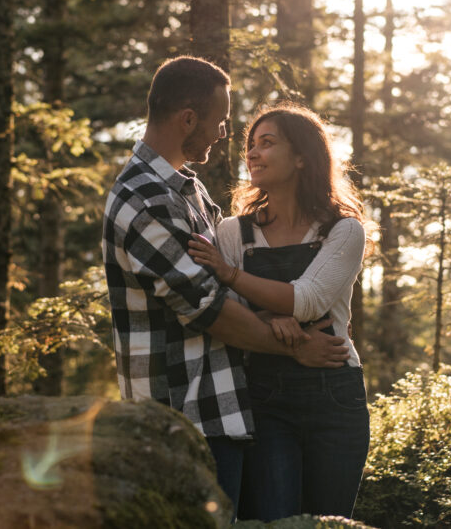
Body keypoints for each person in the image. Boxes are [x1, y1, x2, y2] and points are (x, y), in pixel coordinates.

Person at [101, 57, 349, 516]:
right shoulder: (143, 199)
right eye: (220, 121)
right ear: (188, 119)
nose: (223, 134)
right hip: (180, 417)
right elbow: (209, 308)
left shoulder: (186, 190)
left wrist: (275, 317)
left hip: (219, 410)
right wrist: (297, 348)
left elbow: (228, 285)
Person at [188, 102, 374, 521]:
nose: (252, 153)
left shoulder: (343, 230)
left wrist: (231, 275)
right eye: (250, 145)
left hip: (336, 398)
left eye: (266, 143)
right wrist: (276, 323)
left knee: (329, 523)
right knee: (275, 520)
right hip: (264, 399)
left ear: (303, 156)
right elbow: (231, 314)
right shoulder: (234, 232)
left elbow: (307, 300)